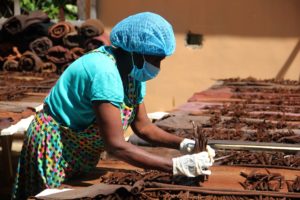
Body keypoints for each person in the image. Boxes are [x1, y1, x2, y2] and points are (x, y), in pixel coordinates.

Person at [12, 12, 215, 199]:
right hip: (54, 146)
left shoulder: (133, 73)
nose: (157, 67)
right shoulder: (104, 72)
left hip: (78, 149)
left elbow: (144, 127)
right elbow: (116, 145)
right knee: (52, 196)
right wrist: (175, 166)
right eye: (155, 59)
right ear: (136, 51)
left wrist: (182, 144)